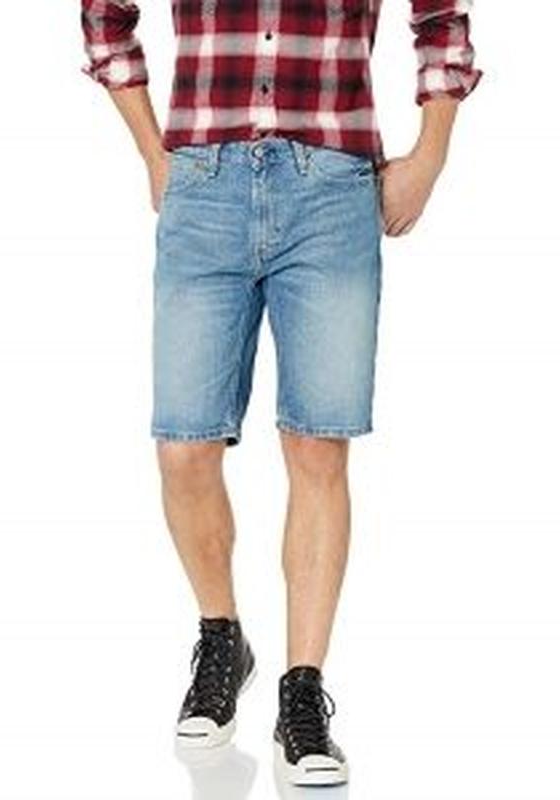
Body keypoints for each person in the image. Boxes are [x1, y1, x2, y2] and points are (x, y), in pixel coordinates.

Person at [80, 0, 482, 786]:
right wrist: (154, 155)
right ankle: (222, 637)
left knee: (317, 444)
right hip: (203, 183)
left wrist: (430, 157)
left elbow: (441, 18)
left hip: (330, 187)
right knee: (183, 447)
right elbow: (105, 15)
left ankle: (303, 692)